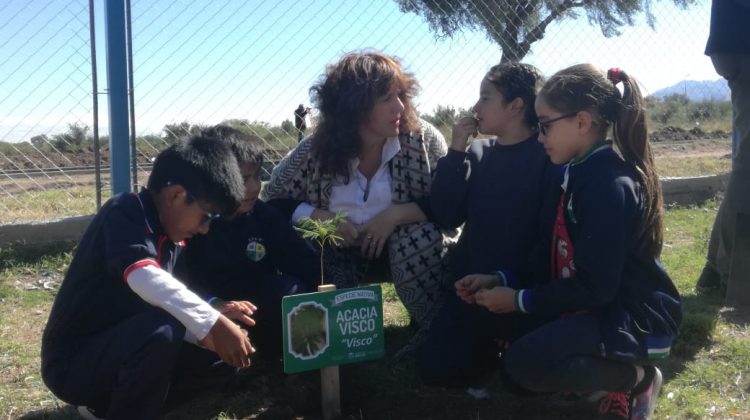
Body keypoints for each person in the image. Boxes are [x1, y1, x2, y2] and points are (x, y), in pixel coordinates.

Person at [449, 65, 682, 420]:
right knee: (517, 375)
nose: (539, 136)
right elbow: (551, 253)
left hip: (632, 317)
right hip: (597, 307)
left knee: (526, 362)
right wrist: (502, 279)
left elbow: (598, 287)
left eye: (545, 125)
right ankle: (594, 377)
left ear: (582, 122)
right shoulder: (576, 170)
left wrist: (520, 300)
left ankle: (637, 380)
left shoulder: (607, 185)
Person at [41, 133, 256, 419]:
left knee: (220, 358)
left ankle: (110, 407)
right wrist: (212, 322)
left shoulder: (172, 237)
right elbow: (144, 278)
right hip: (74, 364)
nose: (205, 228)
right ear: (176, 195)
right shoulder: (125, 211)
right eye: (207, 216)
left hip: (125, 346)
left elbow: (170, 301)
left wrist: (213, 335)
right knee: (163, 330)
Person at [262, 51, 450, 333]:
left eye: (400, 95)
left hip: (401, 251)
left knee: (421, 236)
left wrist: (395, 215)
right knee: (308, 243)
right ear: (354, 107)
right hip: (336, 254)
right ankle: (327, 333)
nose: (399, 107)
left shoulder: (422, 141)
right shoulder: (315, 151)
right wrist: (319, 216)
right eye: (386, 99)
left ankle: (433, 324)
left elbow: (450, 203)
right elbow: (272, 202)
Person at [418, 62, 559, 389]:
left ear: (516, 106)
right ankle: (486, 346)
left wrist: (510, 284)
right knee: (434, 368)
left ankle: (505, 347)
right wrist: (455, 151)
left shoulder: (546, 156)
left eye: (485, 98)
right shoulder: (479, 153)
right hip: (472, 289)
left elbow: (546, 239)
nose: (476, 108)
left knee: (524, 381)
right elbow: (447, 214)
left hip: (521, 290)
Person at [179, 125, 320, 360]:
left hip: (254, 306)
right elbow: (178, 282)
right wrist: (214, 303)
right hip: (209, 309)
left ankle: (277, 356)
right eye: (244, 179)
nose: (254, 187)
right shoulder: (193, 221)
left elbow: (302, 262)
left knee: (289, 288)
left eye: (257, 176)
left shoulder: (265, 217)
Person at [695, 0, 750, 303]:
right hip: (742, 42)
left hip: (735, 39)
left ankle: (716, 268)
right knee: (748, 166)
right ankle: (731, 273)